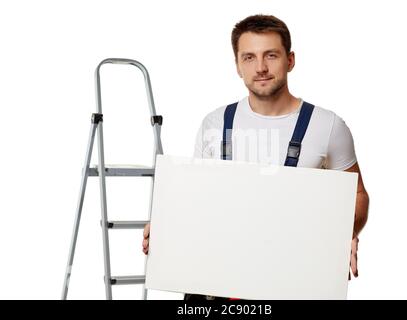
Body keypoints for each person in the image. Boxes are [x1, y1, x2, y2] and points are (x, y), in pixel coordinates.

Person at [142, 14, 369, 300]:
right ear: (237, 65)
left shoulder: (327, 126)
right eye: (249, 57)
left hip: (293, 282)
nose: (260, 68)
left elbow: (357, 193)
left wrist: (340, 233)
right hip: (215, 284)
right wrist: (167, 224)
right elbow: (198, 198)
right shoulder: (215, 122)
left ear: (291, 60)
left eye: (270, 55)